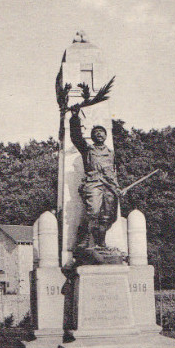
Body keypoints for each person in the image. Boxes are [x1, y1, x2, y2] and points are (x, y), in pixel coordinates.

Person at [69, 106, 122, 263]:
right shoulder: (87, 150)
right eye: (96, 132)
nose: (99, 134)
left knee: (108, 216)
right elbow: (76, 137)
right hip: (93, 183)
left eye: (102, 132)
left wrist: (117, 188)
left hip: (110, 187)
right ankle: (83, 241)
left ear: (106, 135)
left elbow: (113, 172)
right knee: (92, 212)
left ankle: (100, 243)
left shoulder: (111, 153)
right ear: (92, 137)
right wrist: (74, 118)